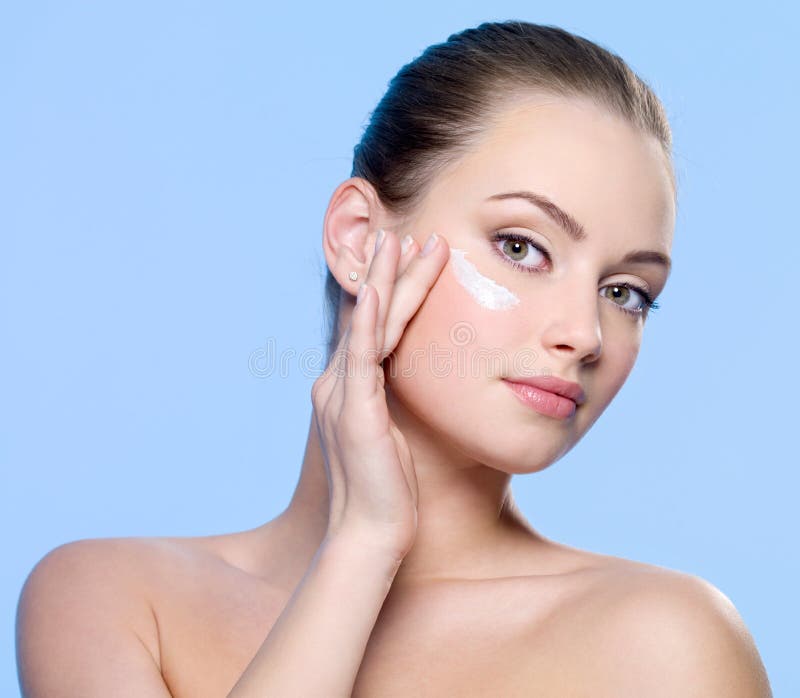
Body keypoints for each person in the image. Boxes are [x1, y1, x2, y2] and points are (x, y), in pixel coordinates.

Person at [16, 19, 772, 697]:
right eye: (522, 247)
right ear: (357, 239)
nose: (586, 333)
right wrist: (363, 544)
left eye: (626, 291)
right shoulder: (110, 601)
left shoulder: (662, 645)